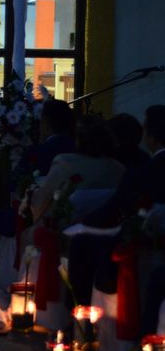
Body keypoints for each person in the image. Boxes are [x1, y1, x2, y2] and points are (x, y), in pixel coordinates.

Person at [69, 105, 165, 309]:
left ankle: (83, 314)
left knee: (81, 244)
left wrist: (79, 225)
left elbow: (113, 209)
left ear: (152, 137)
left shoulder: (143, 172)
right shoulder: (143, 163)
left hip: (144, 242)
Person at [30, 115, 125, 223]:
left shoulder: (64, 162)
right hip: (107, 229)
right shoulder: (118, 168)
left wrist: (31, 189)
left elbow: (39, 200)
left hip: (65, 231)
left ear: (78, 138)